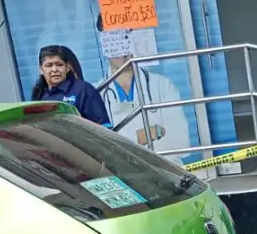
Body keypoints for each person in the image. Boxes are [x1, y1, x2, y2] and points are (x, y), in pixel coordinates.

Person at [98, 34, 192, 164]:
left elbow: (181, 143)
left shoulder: (162, 85)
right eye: (115, 40)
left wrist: (125, 140)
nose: (124, 51)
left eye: (126, 38)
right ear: (104, 45)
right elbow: (101, 148)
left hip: (165, 168)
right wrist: (144, 135)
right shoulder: (96, 93)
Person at [31, 45, 110, 127]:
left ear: (67, 67)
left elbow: (104, 126)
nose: (54, 70)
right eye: (49, 65)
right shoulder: (40, 95)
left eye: (59, 64)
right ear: (41, 70)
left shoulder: (83, 89)